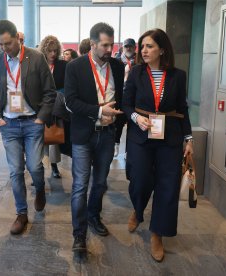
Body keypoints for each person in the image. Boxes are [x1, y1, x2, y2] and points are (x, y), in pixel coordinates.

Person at [122, 28, 194, 262]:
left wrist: (189, 139)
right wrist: (136, 118)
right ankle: (138, 208)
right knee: (140, 180)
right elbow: (126, 104)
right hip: (140, 135)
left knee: (167, 187)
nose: (144, 50)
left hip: (170, 137)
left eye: (149, 46)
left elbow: (182, 109)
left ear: (162, 49)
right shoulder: (135, 74)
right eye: (142, 46)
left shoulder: (178, 75)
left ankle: (157, 234)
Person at [0, 20, 56, 235]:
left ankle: (40, 189)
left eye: (7, 43)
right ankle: (21, 214)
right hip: (8, 125)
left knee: (35, 167)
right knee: (15, 171)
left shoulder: (36, 58)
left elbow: (50, 92)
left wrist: (41, 119)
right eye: (0, 45)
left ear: (17, 37)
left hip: (32, 122)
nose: (4, 49)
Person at [65, 22, 124, 260]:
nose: (110, 48)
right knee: (80, 186)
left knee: (100, 183)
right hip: (83, 135)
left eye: (112, 44)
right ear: (92, 44)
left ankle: (93, 216)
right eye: (105, 44)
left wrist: (117, 128)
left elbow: (120, 98)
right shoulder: (75, 67)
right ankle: (79, 234)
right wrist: (100, 112)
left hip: (107, 136)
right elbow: (70, 102)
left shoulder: (118, 67)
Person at [38, 35, 67, 178]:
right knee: (39, 138)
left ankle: (54, 166)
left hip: (56, 106)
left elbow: (67, 86)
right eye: (50, 51)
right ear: (44, 50)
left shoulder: (63, 65)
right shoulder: (38, 63)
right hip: (40, 105)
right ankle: (41, 168)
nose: (53, 54)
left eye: (55, 51)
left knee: (54, 137)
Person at [113, 38, 137, 157]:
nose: (128, 48)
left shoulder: (139, 62)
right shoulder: (116, 61)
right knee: (119, 123)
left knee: (132, 125)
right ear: (122, 47)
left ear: (134, 48)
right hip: (120, 96)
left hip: (134, 97)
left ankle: (128, 150)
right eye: (126, 46)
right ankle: (116, 144)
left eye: (130, 46)